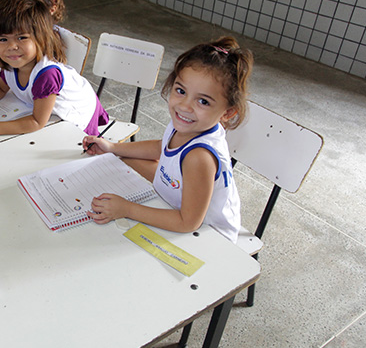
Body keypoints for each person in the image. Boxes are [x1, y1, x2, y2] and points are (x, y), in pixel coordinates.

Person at [82, 37, 252, 242]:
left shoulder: (200, 157)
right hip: (177, 201)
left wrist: (126, 209)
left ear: (227, 113)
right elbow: (161, 147)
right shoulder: (187, 125)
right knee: (116, 160)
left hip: (208, 238)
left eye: (203, 101)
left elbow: (187, 222)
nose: (185, 106)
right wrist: (112, 147)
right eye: (181, 91)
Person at [0, 0, 107, 141]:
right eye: (3, 39)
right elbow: (0, 87)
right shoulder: (14, 62)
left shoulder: (46, 75)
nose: (11, 47)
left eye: (22, 38)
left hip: (79, 112)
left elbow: (37, 121)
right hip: (48, 112)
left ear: (40, 39)